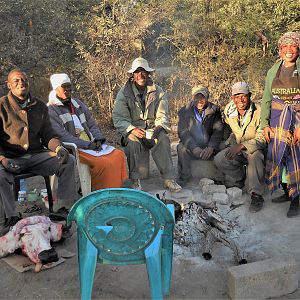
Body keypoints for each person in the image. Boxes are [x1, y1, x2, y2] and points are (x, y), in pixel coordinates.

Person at [0, 69, 78, 236]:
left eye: (24, 80)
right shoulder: (1, 106)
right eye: (16, 81)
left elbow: (48, 134)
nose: (21, 83)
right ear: (9, 85)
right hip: (11, 158)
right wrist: (2, 159)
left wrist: (58, 148)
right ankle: (11, 217)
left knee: (68, 161)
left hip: (36, 156)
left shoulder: (39, 106)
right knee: (0, 174)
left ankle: (61, 209)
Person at [48, 73, 128, 191]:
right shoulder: (51, 109)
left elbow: (91, 124)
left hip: (90, 144)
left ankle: (116, 188)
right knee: (103, 163)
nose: (67, 90)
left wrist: (98, 139)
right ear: (56, 89)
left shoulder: (77, 104)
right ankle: (99, 191)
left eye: (69, 87)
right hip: (73, 148)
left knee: (117, 155)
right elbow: (63, 136)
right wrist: (87, 145)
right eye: (63, 87)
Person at [112, 57, 182, 192]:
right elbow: (119, 118)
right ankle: (135, 180)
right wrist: (132, 129)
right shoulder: (124, 93)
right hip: (133, 131)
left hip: (151, 129)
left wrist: (158, 127)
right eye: (137, 72)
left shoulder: (158, 91)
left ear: (148, 74)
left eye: (144, 71)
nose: (141, 75)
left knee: (162, 138)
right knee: (132, 141)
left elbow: (163, 115)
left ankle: (168, 179)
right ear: (132, 75)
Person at [260, 31, 300, 218]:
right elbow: (266, 99)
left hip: (297, 120)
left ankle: (296, 199)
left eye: (293, 46)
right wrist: (264, 124)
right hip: (277, 121)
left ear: (298, 49)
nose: (289, 50)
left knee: (295, 158)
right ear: (279, 50)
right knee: (279, 157)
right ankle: (286, 192)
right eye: (285, 46)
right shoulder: (272, 71)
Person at [214, 82, 266, 213]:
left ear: (250, 96)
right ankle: (240, 180)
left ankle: (256, 195)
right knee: (220, 159)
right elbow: (227, 127)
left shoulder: (260, 111)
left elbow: (262, 139)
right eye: (237, 96)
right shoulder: (229, 110)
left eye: (244, 96)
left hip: (255, 149)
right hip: (238, 146)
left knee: (255, 156)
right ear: (232, 98)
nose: (240, 100)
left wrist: (242, 146)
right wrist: (227, 143)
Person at [177, 85, 224, 186]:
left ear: (207, 98)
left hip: (209, 143)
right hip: (193, 144)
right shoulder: (184, 111)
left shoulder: (214, 110)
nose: (199, 100)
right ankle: (184, 177)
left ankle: (220, 178)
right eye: (196, 97)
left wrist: (211, 147)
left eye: (202, 97)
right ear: (192, 98)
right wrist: (194, 147)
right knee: (181, 148)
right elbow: (183, 132)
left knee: (224, 147)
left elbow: (218, 131)